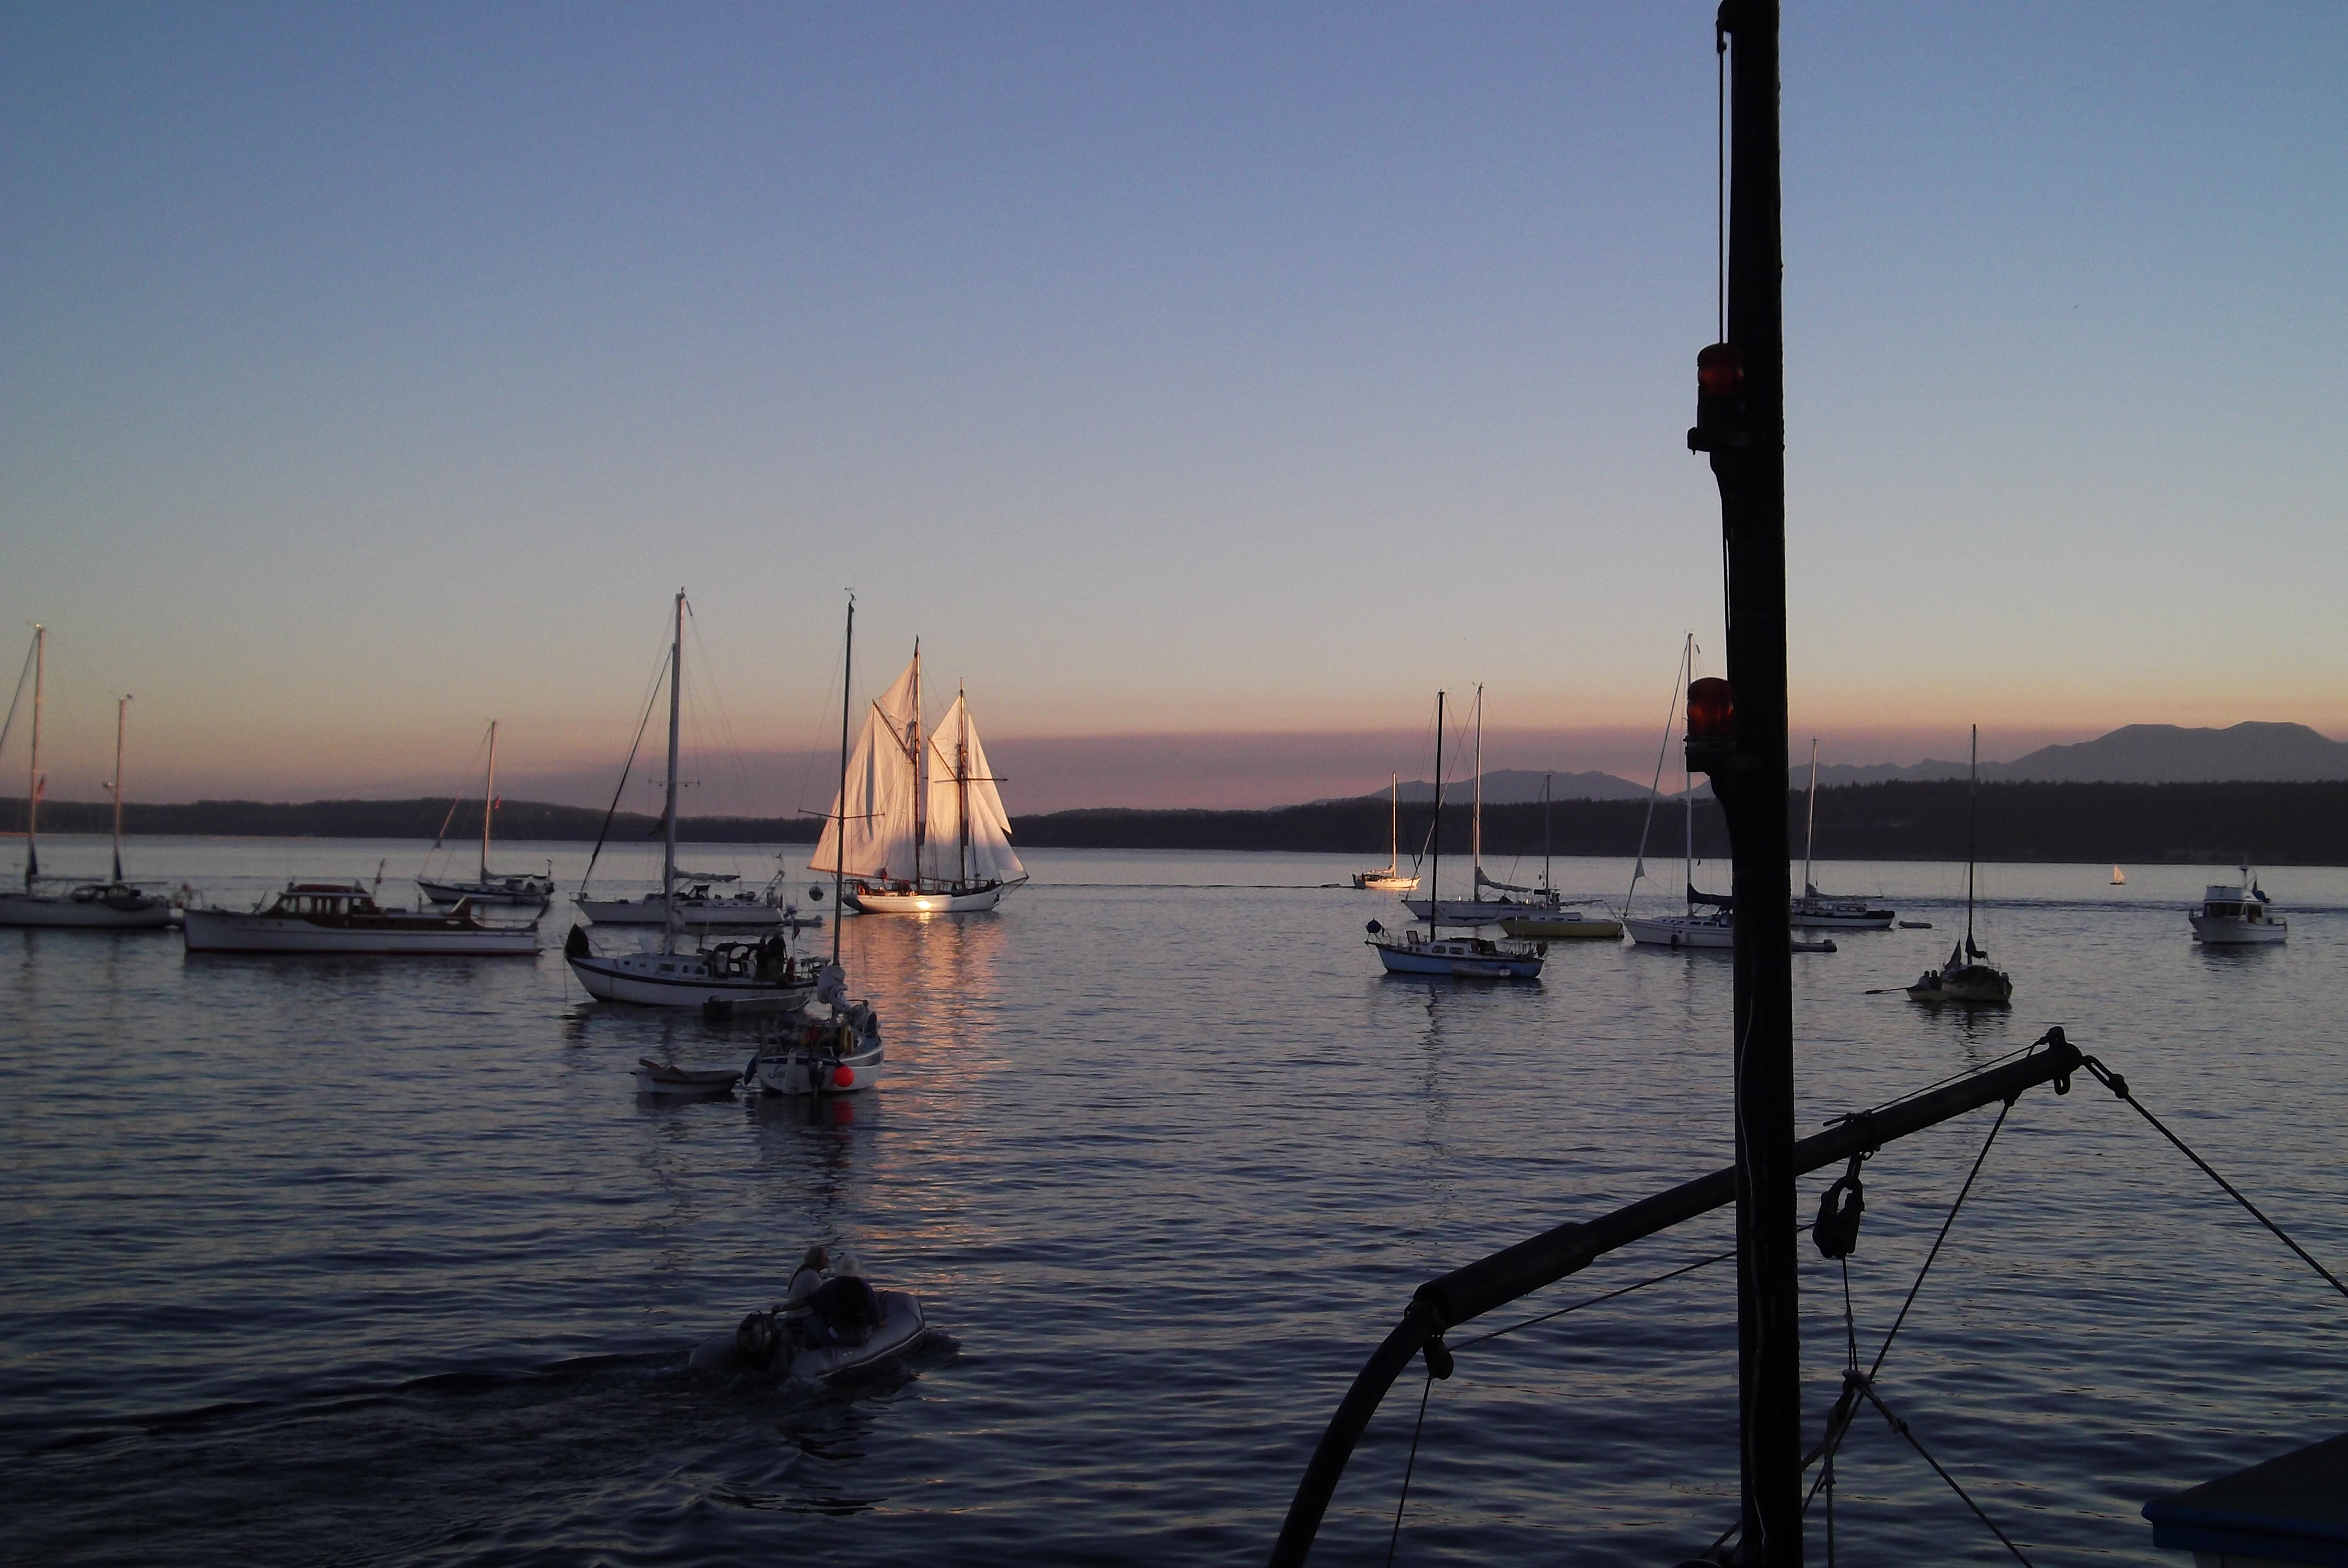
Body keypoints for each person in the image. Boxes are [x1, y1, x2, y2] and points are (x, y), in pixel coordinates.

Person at [805, 1252, 883, 1346]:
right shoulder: (865, 1287)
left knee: (808, 1321)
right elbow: (875, 1311)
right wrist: (879, 1324)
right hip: (861, 1334)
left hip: (836, 1335)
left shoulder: (831, 1285)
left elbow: (813, 1301)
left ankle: (813, 1348)